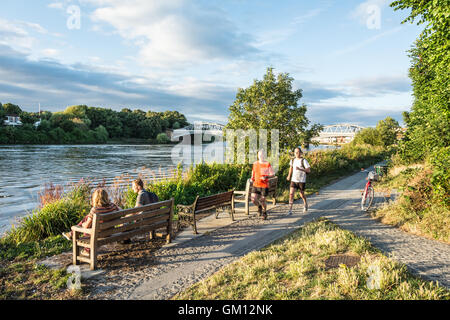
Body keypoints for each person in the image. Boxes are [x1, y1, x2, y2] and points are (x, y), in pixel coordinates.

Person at [251, 149, 275, 220]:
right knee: (253, 199)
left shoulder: (267, 164)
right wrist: (252, 177)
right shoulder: (255, 163)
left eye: (262, 155)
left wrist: (267, 176)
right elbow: (253, 171)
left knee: (262, 200)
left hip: (264, 186)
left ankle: (264, 212)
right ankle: (259, 207)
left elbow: (273, 174)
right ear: (258, 155)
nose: (261, 156)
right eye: (259, 155)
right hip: (256, 184)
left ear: (264, 155)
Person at [286, 147, 311, 215]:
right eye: (295, 152)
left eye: (297, 152)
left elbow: (308, 170)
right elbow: (291, 168)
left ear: (300, 153)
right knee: (291, 194)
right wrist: (289, 175)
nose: (296, 153)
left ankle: (305, 203)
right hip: (294, 180)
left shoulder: (304, 160)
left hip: (301, 180)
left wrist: (300, 169)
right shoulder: (293, 160)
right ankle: (290, 210)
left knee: (301, 194)